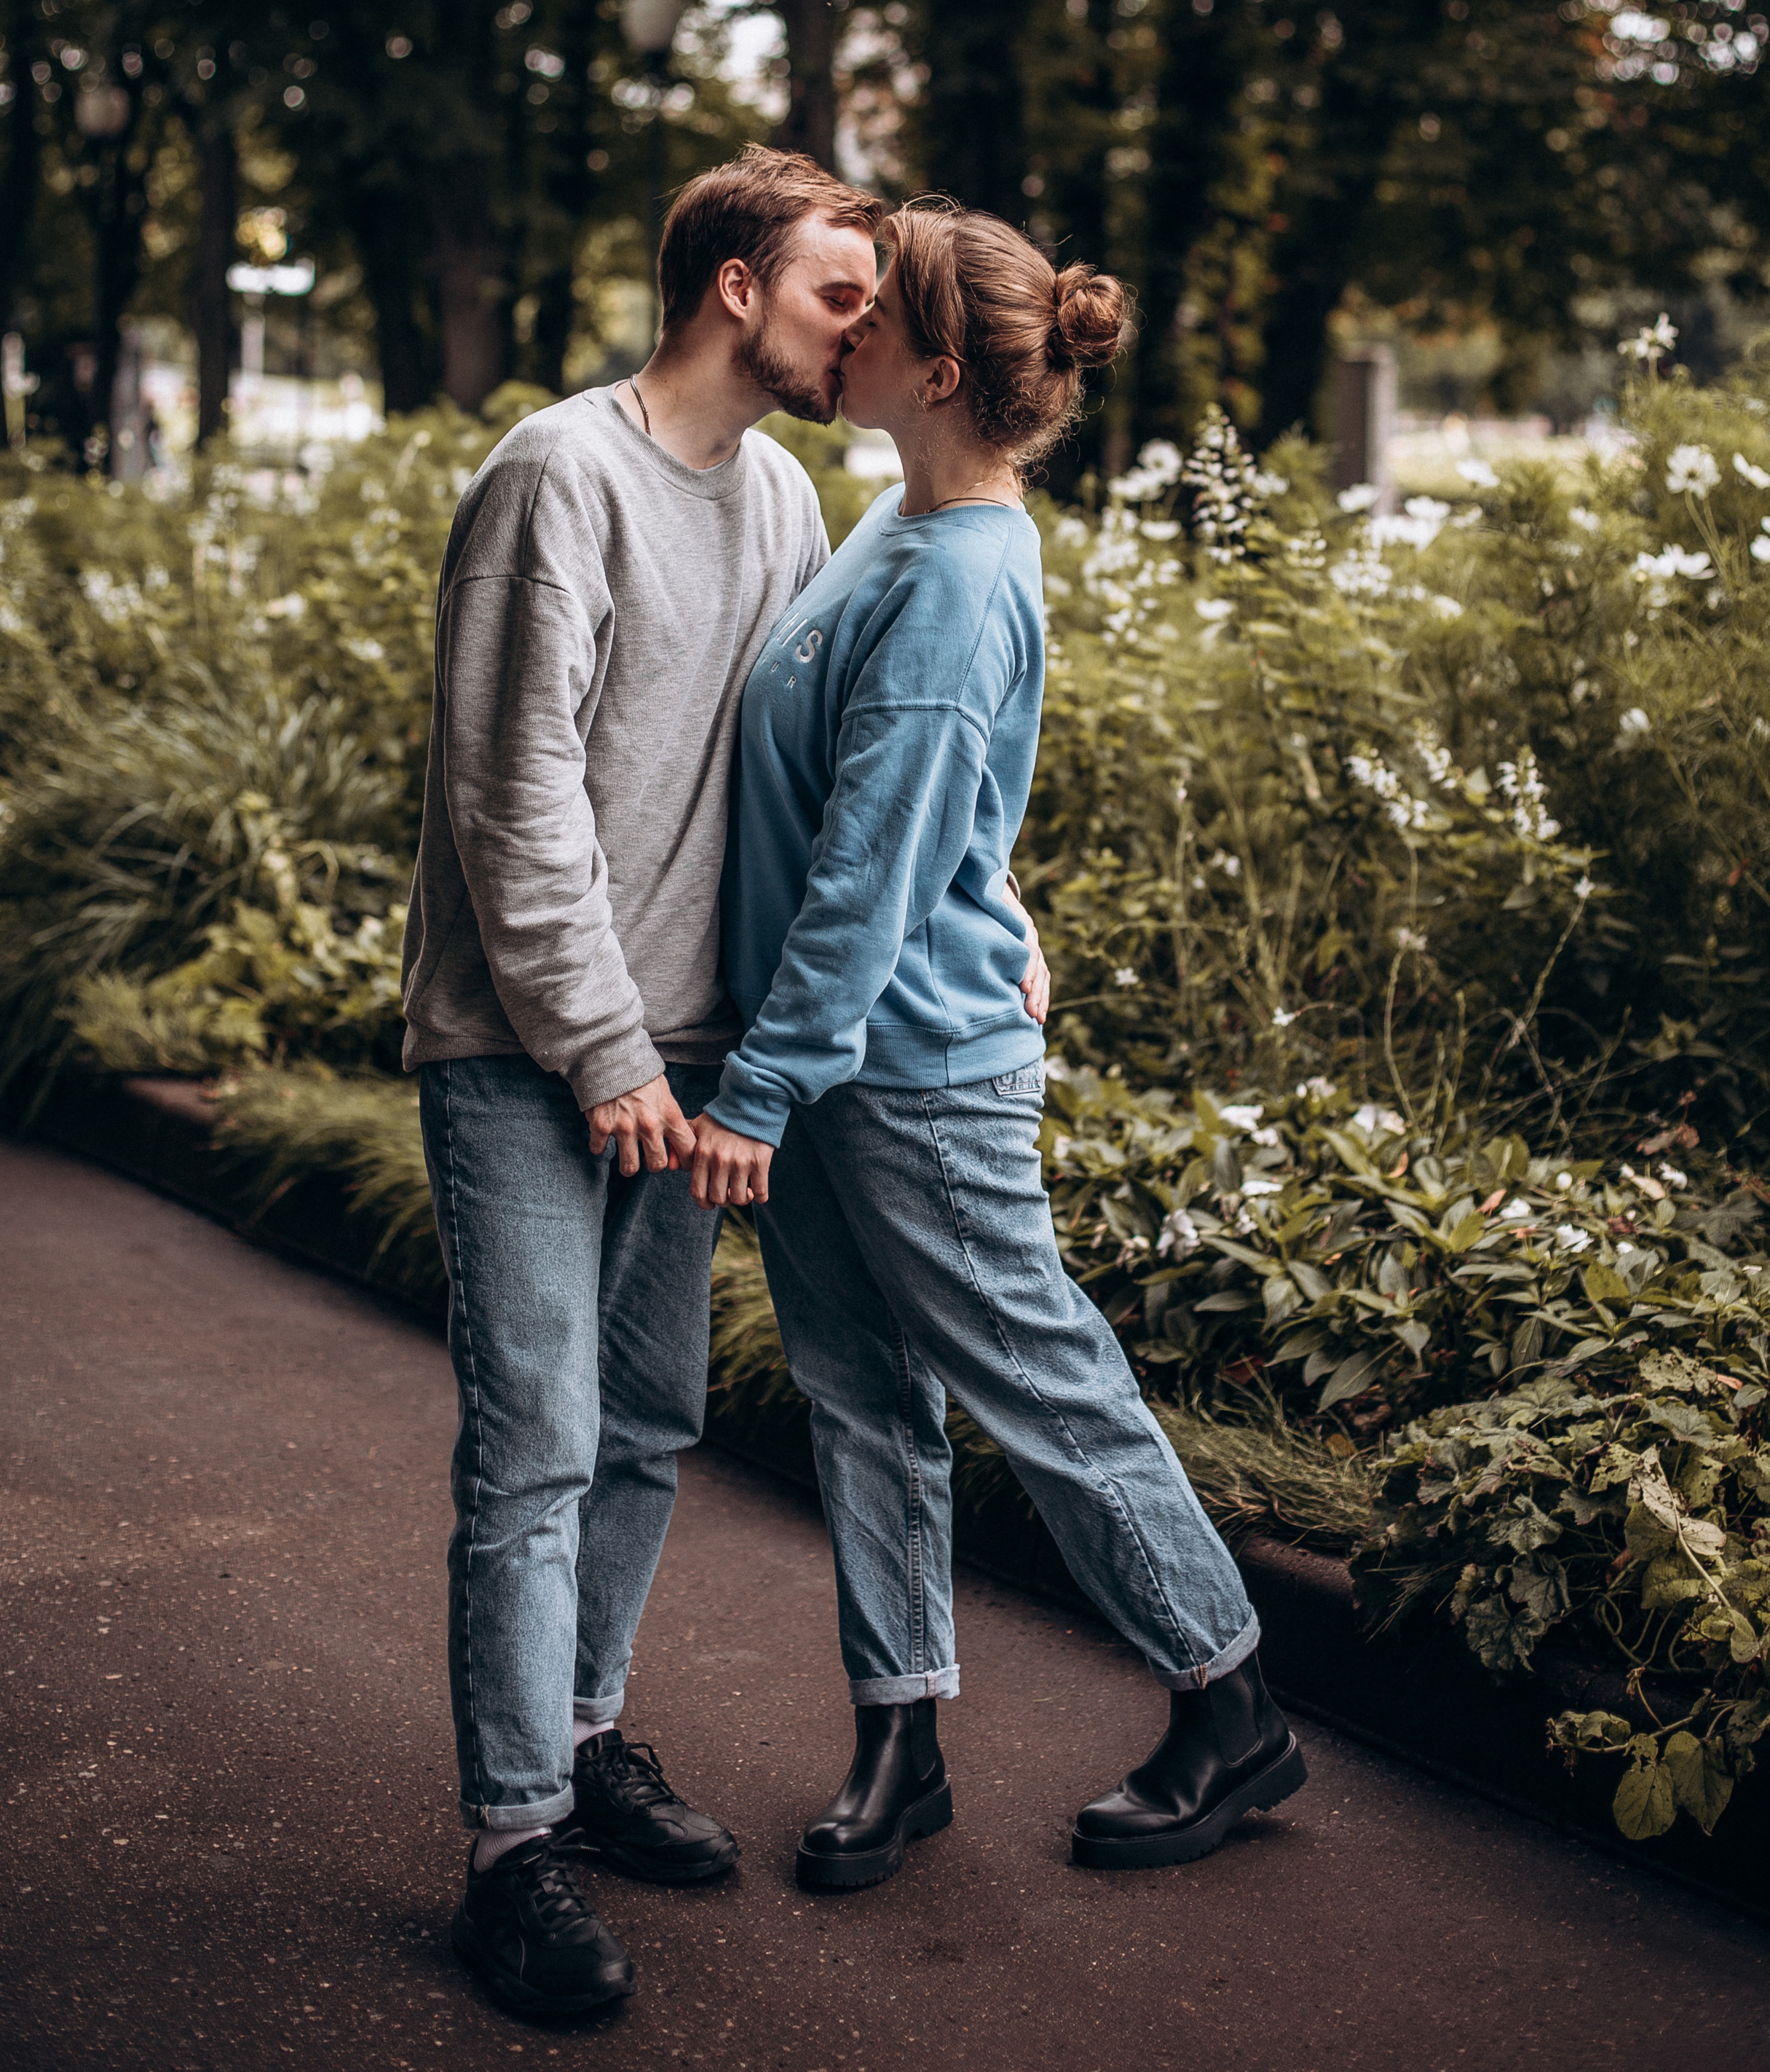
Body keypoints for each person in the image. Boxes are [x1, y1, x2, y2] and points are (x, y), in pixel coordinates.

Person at [686, 202, 1306, 1891]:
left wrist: (755, 1088)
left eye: (872, 313)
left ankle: (1225, 1700)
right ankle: (902, 1740)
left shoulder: (958, 575)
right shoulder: (900, 518)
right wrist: (996, 889)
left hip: (905, 1075)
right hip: (835, 1063)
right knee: (861, 1403)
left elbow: (868, 875)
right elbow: (905, 816)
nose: (844, 328)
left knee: (1037, 1380)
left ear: (939, 372)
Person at [399, 148, 885, 2024]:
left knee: (647, 1421)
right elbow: (510, 797)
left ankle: (587, 1737)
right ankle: (511, 1848)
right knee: (531, 1443)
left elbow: (841, 751)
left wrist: (973, 905)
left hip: (692, 1063)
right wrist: (601, 1051)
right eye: (842, 291)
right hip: (534, 1054)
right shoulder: (560, 474)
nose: (868, 326)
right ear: (735, 288)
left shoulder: (778, 493)